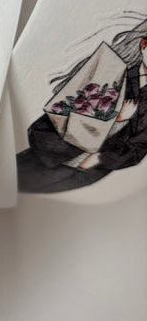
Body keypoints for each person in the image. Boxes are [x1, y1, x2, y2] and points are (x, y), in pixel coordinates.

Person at [17, 17, 147, 193]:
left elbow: (138, 149)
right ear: (143, 45)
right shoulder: (111, 70)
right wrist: (119, 119)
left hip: (82, 170)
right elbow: (67, 105)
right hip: (51, 150)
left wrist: (99, 159)